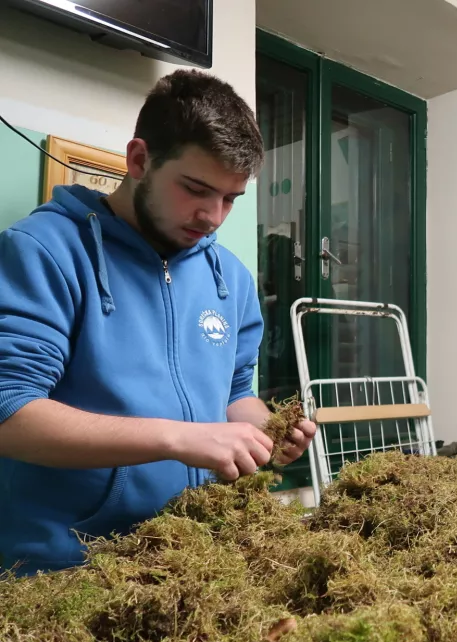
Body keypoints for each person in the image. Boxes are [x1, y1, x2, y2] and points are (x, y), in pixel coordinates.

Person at [0, 69, 316, 576]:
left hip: (189, 553)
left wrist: (264, 430)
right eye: (196, 189)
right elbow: (10, 414)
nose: (213, 216)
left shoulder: (229, 278)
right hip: (64, 569)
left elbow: (235, 393)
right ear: (139, 160)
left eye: (230, 198)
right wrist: (180, 437)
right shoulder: (44, 251)